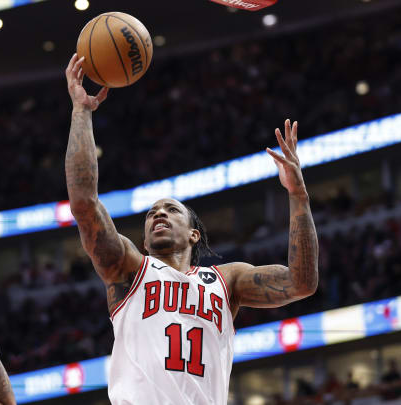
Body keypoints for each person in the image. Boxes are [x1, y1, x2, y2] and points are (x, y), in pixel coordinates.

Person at [64, 54, 319, 404]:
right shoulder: (129, 269)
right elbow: (83, 204)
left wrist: (299, 196)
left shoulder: (228, 281)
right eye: (152, 213)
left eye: (171, 210)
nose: (159, 215)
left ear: (194, 234)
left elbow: (301, 283)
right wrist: (81, 110)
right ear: (144, 239)